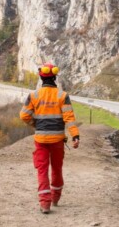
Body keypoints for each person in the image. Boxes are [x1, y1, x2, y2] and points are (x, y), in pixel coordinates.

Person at [19, 63, 80, 214]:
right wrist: (75, 135)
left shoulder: (33, 96)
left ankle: (45, 204)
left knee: (42, 170)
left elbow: (24, 115)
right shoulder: (62, 96)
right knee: (57, 169)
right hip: (58, 140)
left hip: (40, 140)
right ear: (55, 78)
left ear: (41, 77)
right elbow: (69, 118)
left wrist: (36, 124)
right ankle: (56, 198)